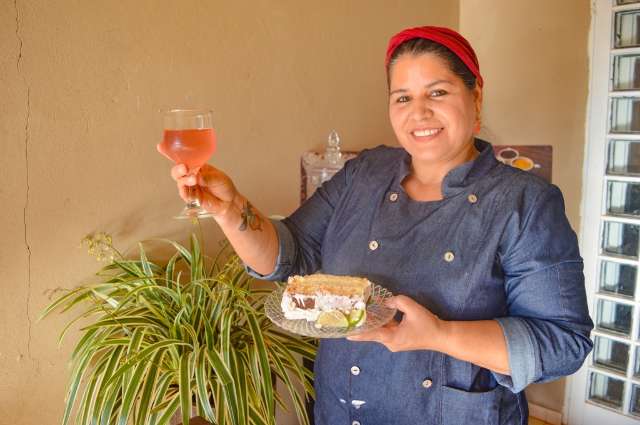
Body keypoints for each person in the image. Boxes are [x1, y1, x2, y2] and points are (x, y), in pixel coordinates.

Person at [169, 26, 593, 425]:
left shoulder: (525, 201)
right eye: (402, 97)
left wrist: (440, 335)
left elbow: (562, 343)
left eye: (438, 92)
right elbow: (290, 255)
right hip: (341, 407)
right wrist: (231, 209)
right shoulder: (366, 172)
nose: (419, 112)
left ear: (476, 96)